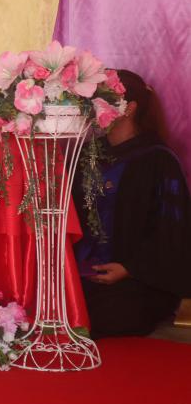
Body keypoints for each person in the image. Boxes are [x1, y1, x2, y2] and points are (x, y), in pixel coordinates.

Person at [73, 69, 190, 338]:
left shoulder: (158, 160)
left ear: (129, 108)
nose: (93, 108)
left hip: (138, 279)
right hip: (83, 274)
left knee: (104, 316)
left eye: (101, 100)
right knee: (56, 308)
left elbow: (173, 232)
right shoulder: (88, 154)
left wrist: (129, 268)